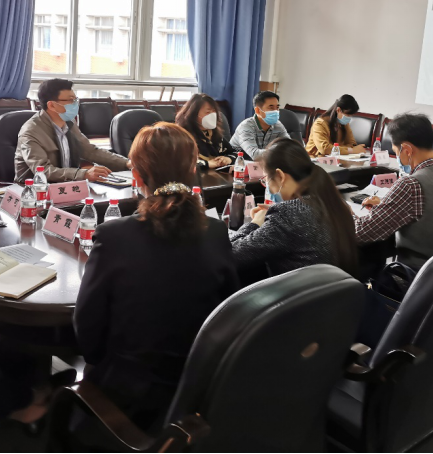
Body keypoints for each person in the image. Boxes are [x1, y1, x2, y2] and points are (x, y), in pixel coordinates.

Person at [75, 123, 239, 431]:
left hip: (130, 398)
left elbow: (88, 330)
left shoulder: (113, 235)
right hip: (199, 388)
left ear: (136, 175)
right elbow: (228, 311)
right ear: (193, 169)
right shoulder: (216, 230)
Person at [354, 113, 433, 269]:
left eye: (396, 151)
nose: (397, 157)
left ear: (407, 149)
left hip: (417, 276)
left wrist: (345, 212)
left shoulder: (410, 184)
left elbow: (361, 233)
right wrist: (385, 205)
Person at [230, 138, 358, 277]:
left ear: (280, 176)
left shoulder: (286, 215)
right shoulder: (336, 204)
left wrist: (255, 223)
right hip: (334, 289)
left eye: (266, 180)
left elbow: (230, 255)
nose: (268, 187)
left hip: (300, 291)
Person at [15, 78, 129, 183]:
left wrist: (126, 163)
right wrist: (83, 174)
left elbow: (90, 151)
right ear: (52, 105)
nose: (75, 104)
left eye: (75, 99)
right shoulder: (30, 131)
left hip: (67, 186)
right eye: (71, 100)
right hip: (32, 190)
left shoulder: (69, 122)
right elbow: (43, 171)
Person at [176, 93, 236, 169]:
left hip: (216, 175)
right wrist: (207, 164)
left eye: (214, 111)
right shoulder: (183, 136)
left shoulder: (213, 134)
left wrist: (228, 159)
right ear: (193, 114)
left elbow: (236, 153)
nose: (212, 115)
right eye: (208, 112)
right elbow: (181, 162)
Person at [229, 91, 290, 160]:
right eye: (271, 108)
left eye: (277, 107)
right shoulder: (246, 126)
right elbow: (255, 155)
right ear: (258, 110)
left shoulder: (278, 125)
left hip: (262, 162)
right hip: (235, 162)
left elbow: (290, 147)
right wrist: (282, 153)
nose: (276, 111)